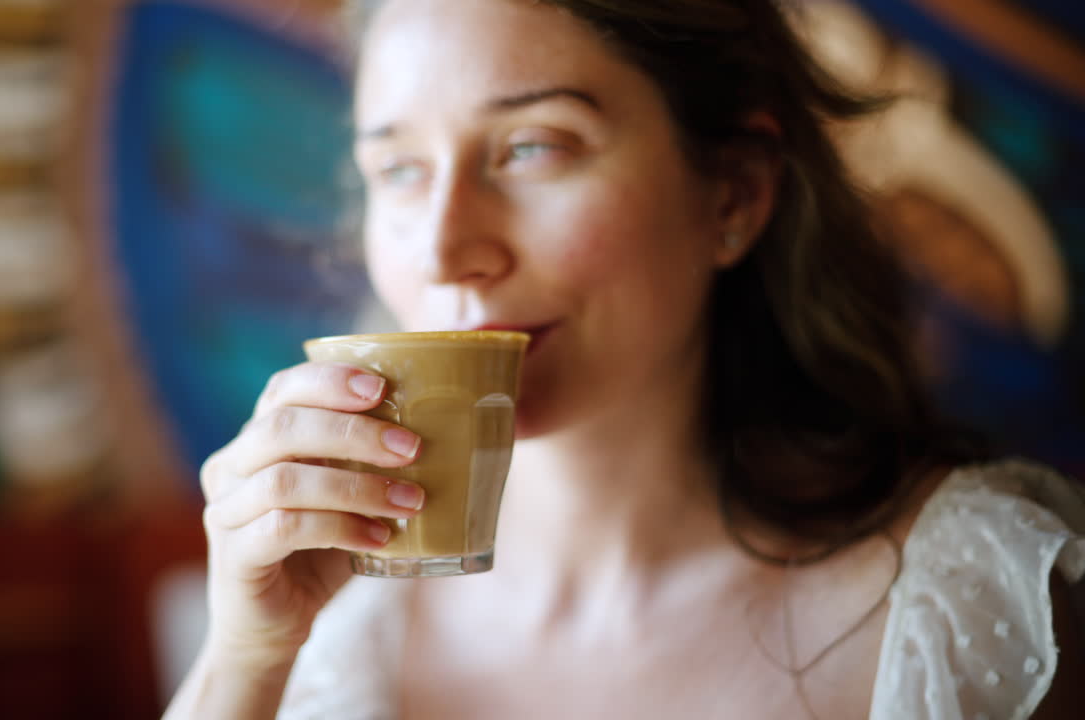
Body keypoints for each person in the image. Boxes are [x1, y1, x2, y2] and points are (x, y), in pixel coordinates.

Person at [163, 1, 1085, 718]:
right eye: (399, 170)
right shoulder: (334, 633)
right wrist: (241, 662)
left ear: (734, 195)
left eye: (532, 148)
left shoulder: (969, 607)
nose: (444, 250)